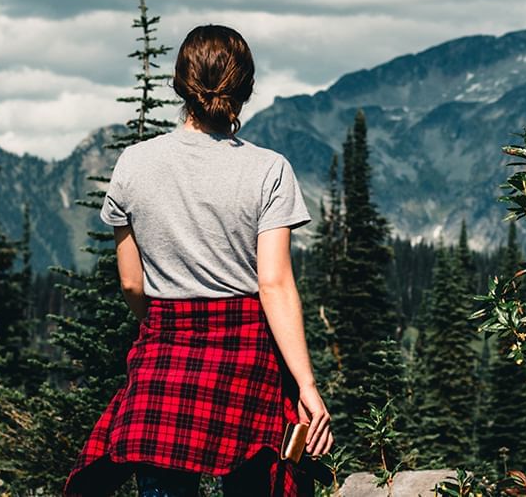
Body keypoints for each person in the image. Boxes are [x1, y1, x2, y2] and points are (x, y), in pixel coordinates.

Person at [63, 25, 334, 497]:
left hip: (164, 354)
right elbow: (273, 285)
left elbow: (131, 284)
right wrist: (307, 386)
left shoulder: (133, 164)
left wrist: (169, 328)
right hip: (247, 358)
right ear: (246, 89)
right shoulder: (269, 169)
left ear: (180, 86)